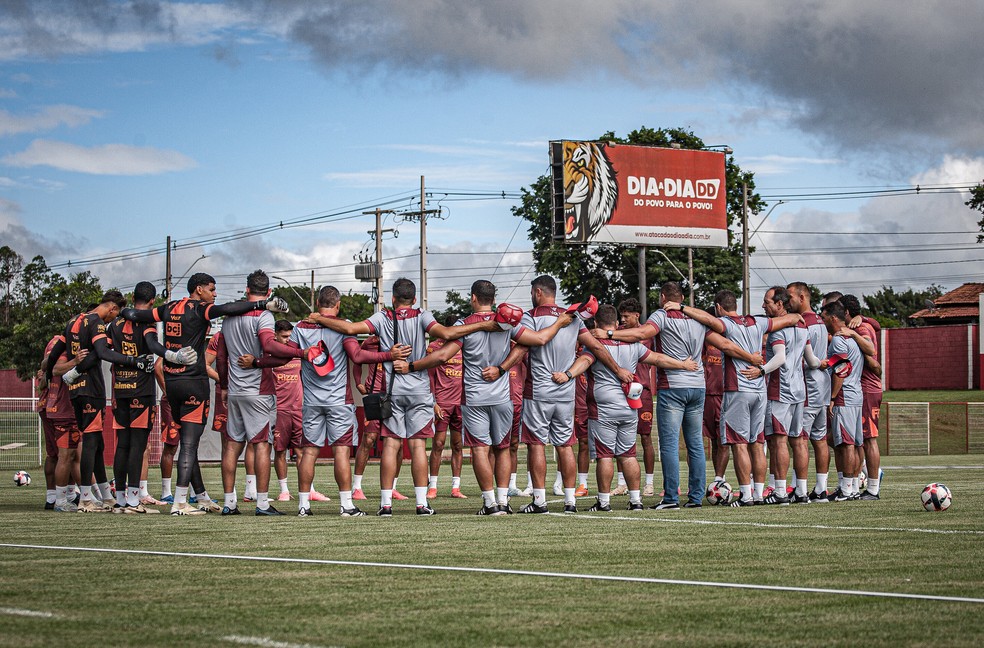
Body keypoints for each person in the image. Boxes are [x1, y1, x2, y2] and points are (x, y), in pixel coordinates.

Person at [306, 277, 497, 516]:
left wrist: (319, 318)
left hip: (392, 389)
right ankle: (421, 504)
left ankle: (385, 505)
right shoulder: (422, 315)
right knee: (418, 446)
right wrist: (481, 325)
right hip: (419, 389)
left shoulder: (383, 316)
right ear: (414, 299)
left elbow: (350, 329)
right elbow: (447, 333)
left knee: (391, 445)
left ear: (393, 298)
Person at [120, 272, 289, 516]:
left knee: (208, 444)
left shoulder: (170, 308)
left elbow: (135, 314)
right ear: (199, 289)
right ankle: (181, 502)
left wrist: (121, 313)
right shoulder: (202, 308)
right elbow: (229, 309)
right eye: (211, 288)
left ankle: (209, 498)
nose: (215, 293)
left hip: (174, 381)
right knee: (192, 444)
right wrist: (263, 305)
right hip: (199, 382)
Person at [401, 280, 573, 516]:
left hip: (474, 398)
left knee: (480, 450)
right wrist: (560, 323)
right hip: (503, 397)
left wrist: (411, 366)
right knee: (503, 449)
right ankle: (503, 501)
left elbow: (441, 356)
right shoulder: (507, 322)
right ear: (493, 299)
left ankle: (490, 503)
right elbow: (538, 340)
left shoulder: (465, 324)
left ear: (473, 298)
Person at [599, 282, 761, 509]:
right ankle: (695, 498)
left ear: (663, 297)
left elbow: (642, 333)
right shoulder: (698, 318)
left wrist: (608, 333)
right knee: (696, 445)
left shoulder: (662, 315)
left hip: (673, 385)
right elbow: (725, 344)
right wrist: (751, 358)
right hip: (698, 387)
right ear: (682, 298)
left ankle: (671, 498)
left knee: (670, 444)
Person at [493, 275, 631, 514]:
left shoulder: (531, 316)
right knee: (565, 446)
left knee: (536, 445)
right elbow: (597, 347)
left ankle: (539, 501)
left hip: (538, 392)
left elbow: (522, 347)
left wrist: (501, 369)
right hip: (566, 392)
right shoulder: (574, 319)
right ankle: (570, 501)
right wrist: (618, 370)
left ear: (537, 292)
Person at [263, 285, 405, 517]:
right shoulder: (343, 326)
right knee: (341, 452)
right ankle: (346, 505)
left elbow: (281, 352)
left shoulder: (300, 328)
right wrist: (390, 355)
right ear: (337, 304)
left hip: (310, 401)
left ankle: (303, 507)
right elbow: (357, 356)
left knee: (309, 452)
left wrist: (258, 362)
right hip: (339, 401)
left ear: (318, 304)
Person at [557, 304, 698, 512]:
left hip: (603, 407)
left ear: (596, 324)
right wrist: (682, 364)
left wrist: (568, 374)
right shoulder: (632, 345)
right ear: (615, 323)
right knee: (629, 454)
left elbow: (585, 362)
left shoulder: (595, 345)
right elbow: (657, 359)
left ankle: (604, 502)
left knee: (605, 455)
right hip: (629, 406)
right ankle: (636, 501)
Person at [673, 289, 800, 507]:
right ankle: (759, 494)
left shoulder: (726, 324)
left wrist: (682, 308)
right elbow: (791, 318)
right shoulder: (756, 322)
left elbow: (710, 324)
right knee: (757, 444)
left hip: (737, 388)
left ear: (720, 308)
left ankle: (747, 496)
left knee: (739, 444)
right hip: (759, 389)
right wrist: (797, 317)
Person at [49, 291, 158, 513]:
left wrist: (51, 372)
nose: (111, 321)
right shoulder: (96, 322)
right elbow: (101, 351)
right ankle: (86, 499)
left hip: (76, 390)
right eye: (113, 315)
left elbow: (55, 354)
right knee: (91, 443)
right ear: (113, 309)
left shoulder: (73, 320)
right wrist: (133, 361)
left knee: (97, 443)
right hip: (92, 389)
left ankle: (107, 496)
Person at [218, 270, 304, 516]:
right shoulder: (264, 316)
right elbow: (268, 346)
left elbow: (221, 357)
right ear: (268, 294)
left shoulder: (229, 318)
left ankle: (229, 503)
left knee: (232, 446)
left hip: (235, 390)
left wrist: (224, 385)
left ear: (247, 290)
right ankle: (263, 504)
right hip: (258, 390)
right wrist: (299, 353)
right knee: (262, 446)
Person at [107, 281, 175, 514]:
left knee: (122, 445)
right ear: (152, 301)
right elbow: (151, 344)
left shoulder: (115, 323)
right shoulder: (146, 322)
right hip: (141, 392)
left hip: (119, 391)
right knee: (138, 445)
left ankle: (120, 500)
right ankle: (134, 500)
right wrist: (169, 353)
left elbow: (106, 351)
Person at [760, 286, 820, 505]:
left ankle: (780, 492)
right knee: (800, 441)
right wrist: (824, 365)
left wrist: (761, 370)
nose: (763, 306)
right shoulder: (803, 328)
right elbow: (812, 361)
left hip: (780, 391)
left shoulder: (777, 330)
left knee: (779, 442)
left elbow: (780, 358)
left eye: (767, 302)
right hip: (799, 391)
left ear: (780, 304)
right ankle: (801, 492)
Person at [786, 282, 832, 501]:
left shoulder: (804, 325)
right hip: (823, 388)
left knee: (800, 440)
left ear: (802, 297)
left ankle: (800, 490)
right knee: (820, 439)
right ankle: (821, 489)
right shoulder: (821, 323)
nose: (787, 302)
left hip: (808, 388)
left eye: (790, 297)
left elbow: (808, 360)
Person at [840, 294, 884, 500]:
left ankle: (873, 487)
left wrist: (856, 332)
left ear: (846, 312)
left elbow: (871, 353)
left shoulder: (861, 328)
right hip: (863, 388)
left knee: (868, 440)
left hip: (866, 388)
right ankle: (859, 480)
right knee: (855, 441)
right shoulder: (863, 324)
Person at [821, 300, 865, 502]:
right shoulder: (852, 339)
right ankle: (851, 486)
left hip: (844, 396)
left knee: (846, 444)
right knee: (849, 443)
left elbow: (841, 370)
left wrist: (831, 397)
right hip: (856, 395)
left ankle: (847, 490)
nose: (822, 321)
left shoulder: (839, 340)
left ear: (832, 317)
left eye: (823, 317)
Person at [616, 299, 657, 497]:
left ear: (636, 316)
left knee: (646, 437)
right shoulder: (617, 334)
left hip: (643, 391)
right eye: (621, 316)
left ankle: (649, 483)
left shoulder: (648, 333)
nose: (622, 320)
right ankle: (622, 482)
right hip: (621, 390)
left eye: (626, 316)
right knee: (620, 436)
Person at [39, 335, 82, 512]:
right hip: (60, 406)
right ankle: (65, 498)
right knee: (68, 455)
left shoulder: (57, 342)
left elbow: (44, 370)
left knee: (57, 454)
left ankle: (61, 497)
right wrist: (75, 361)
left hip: (50, 404)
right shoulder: (63, 342)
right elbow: (51, 369)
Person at [426, 321, 467, 500]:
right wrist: (433, 402)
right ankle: (432, 486)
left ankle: (455, 487)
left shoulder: (465, 346)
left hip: (461, 403)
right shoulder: (434, 347)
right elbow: (429, 376)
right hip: (442, 402)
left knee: (458, 445)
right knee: (438, 444)